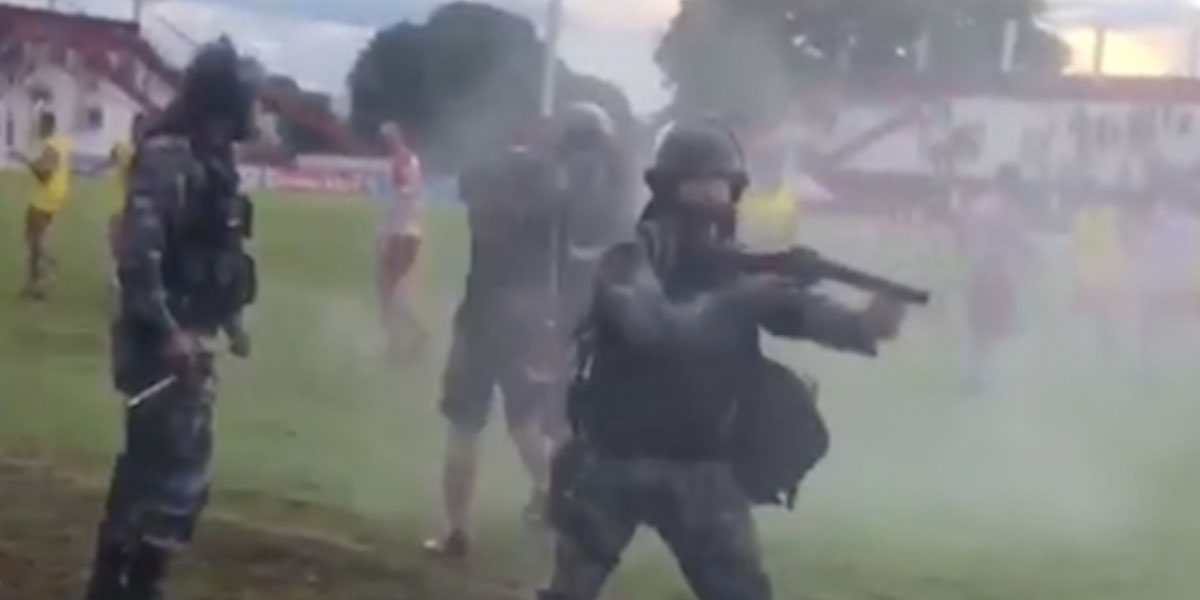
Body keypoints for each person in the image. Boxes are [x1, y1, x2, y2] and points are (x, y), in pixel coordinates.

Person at [538, 120, 907, 600]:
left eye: (723, 186)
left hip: (700, 466)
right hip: (614, 461)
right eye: (700, 186)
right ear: (669, 190)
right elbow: (651, 327)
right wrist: (741, 300)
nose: (714, 199)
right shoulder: (632, 257)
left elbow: (794, 309)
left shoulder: (734, 267)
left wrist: (862, 324)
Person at [81, 37, 258, 600]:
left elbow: (220, 249)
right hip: (160, 341)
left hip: (191, 335)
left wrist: (230, 323)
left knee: (173, 470)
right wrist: (169, 330)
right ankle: (122, 584)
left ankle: (133, 582)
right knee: (163, 468)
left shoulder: (213, 161)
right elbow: (140, 255)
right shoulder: (169, 158)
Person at [423, 139, 562, 559]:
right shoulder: (547, 214)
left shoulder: (486, 210)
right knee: (526, 424)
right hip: (526, 323)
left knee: (464, 426)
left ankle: (457, 530)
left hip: (479, 319)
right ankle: (554, 498)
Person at [955, 166, 1031, 392]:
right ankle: (978, 376)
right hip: (995, 271)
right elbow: (1018, 239)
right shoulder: (1007, 208)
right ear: (1011, 184)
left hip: (976, 270)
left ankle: (970, 373)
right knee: (991, 328)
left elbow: (961, 238)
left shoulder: (977, 205)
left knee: (977, 326)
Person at [376, 121, 428, 358]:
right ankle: (398, 340)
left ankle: (411, 335)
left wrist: (385, 233)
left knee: (388, 290)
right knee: (388, 290)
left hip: (402, 231)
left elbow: (405, 191)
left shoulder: (403, 160)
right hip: (404, 230)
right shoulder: (405, 160)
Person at [11, 111, 72, 300]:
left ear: (45, 126)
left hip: (45, 196)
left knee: (34, 240)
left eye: (39, 125)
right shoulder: (63, 141)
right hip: (57, 194)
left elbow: (44, 174)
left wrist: (23, 159)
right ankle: (40, 274)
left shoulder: (50, 145)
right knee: (34, 237)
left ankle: (37, 284)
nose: (37, 128)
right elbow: (51, 166)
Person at [104, 113, 147, 262]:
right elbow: (108, 162)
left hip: (136, 207)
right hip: (121, 203)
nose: (137, 132)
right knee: (116, 242)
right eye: (136, 127)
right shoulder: (123, 148)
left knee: (131, 246)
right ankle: (115, 277)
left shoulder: (146, 152)